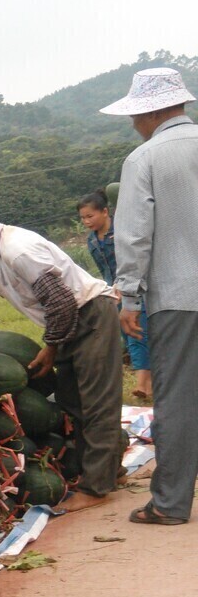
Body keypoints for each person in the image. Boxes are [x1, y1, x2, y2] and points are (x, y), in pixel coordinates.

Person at [0, 190, 124, 506]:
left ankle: (96, 488)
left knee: (96, 402)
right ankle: (112, 470)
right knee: (72, 400)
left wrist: (50, 347)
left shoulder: (17, 249)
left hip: (90, 315)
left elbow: (61, 301)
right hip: (68, 322)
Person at [102, 64, 198, 526]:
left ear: (152, 112)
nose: (133, 124)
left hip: (178, 295)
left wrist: (131, 298)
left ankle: (170, 504)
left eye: (135, 115)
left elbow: (135, 237)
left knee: (178, 397)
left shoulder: (145, 159)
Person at [77, 189, 152, 401]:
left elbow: (134, 261)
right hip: (114, 295)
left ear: (105, 212)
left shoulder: (123, 233)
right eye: (82, 218)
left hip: (135, 290)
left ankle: (142, 385)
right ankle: (149, 382)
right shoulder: (92, 241)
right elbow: (104, 271)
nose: (86, 221)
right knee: (128, 337)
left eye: (90, 216)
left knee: (138, 333)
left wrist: (124, 284)